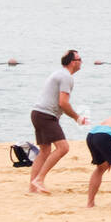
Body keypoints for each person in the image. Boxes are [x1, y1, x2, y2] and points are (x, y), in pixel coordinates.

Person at [28, 50, 88, 195]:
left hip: (37, 113)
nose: (81, 62)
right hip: (46, 115)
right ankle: (39, 180)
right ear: (73, 62)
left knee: (44, 151)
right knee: (63, 148)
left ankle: (33, 187)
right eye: (80, 59)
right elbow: (63, 103)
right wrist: (77, 117)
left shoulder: (60, 74)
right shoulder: (66, 76)